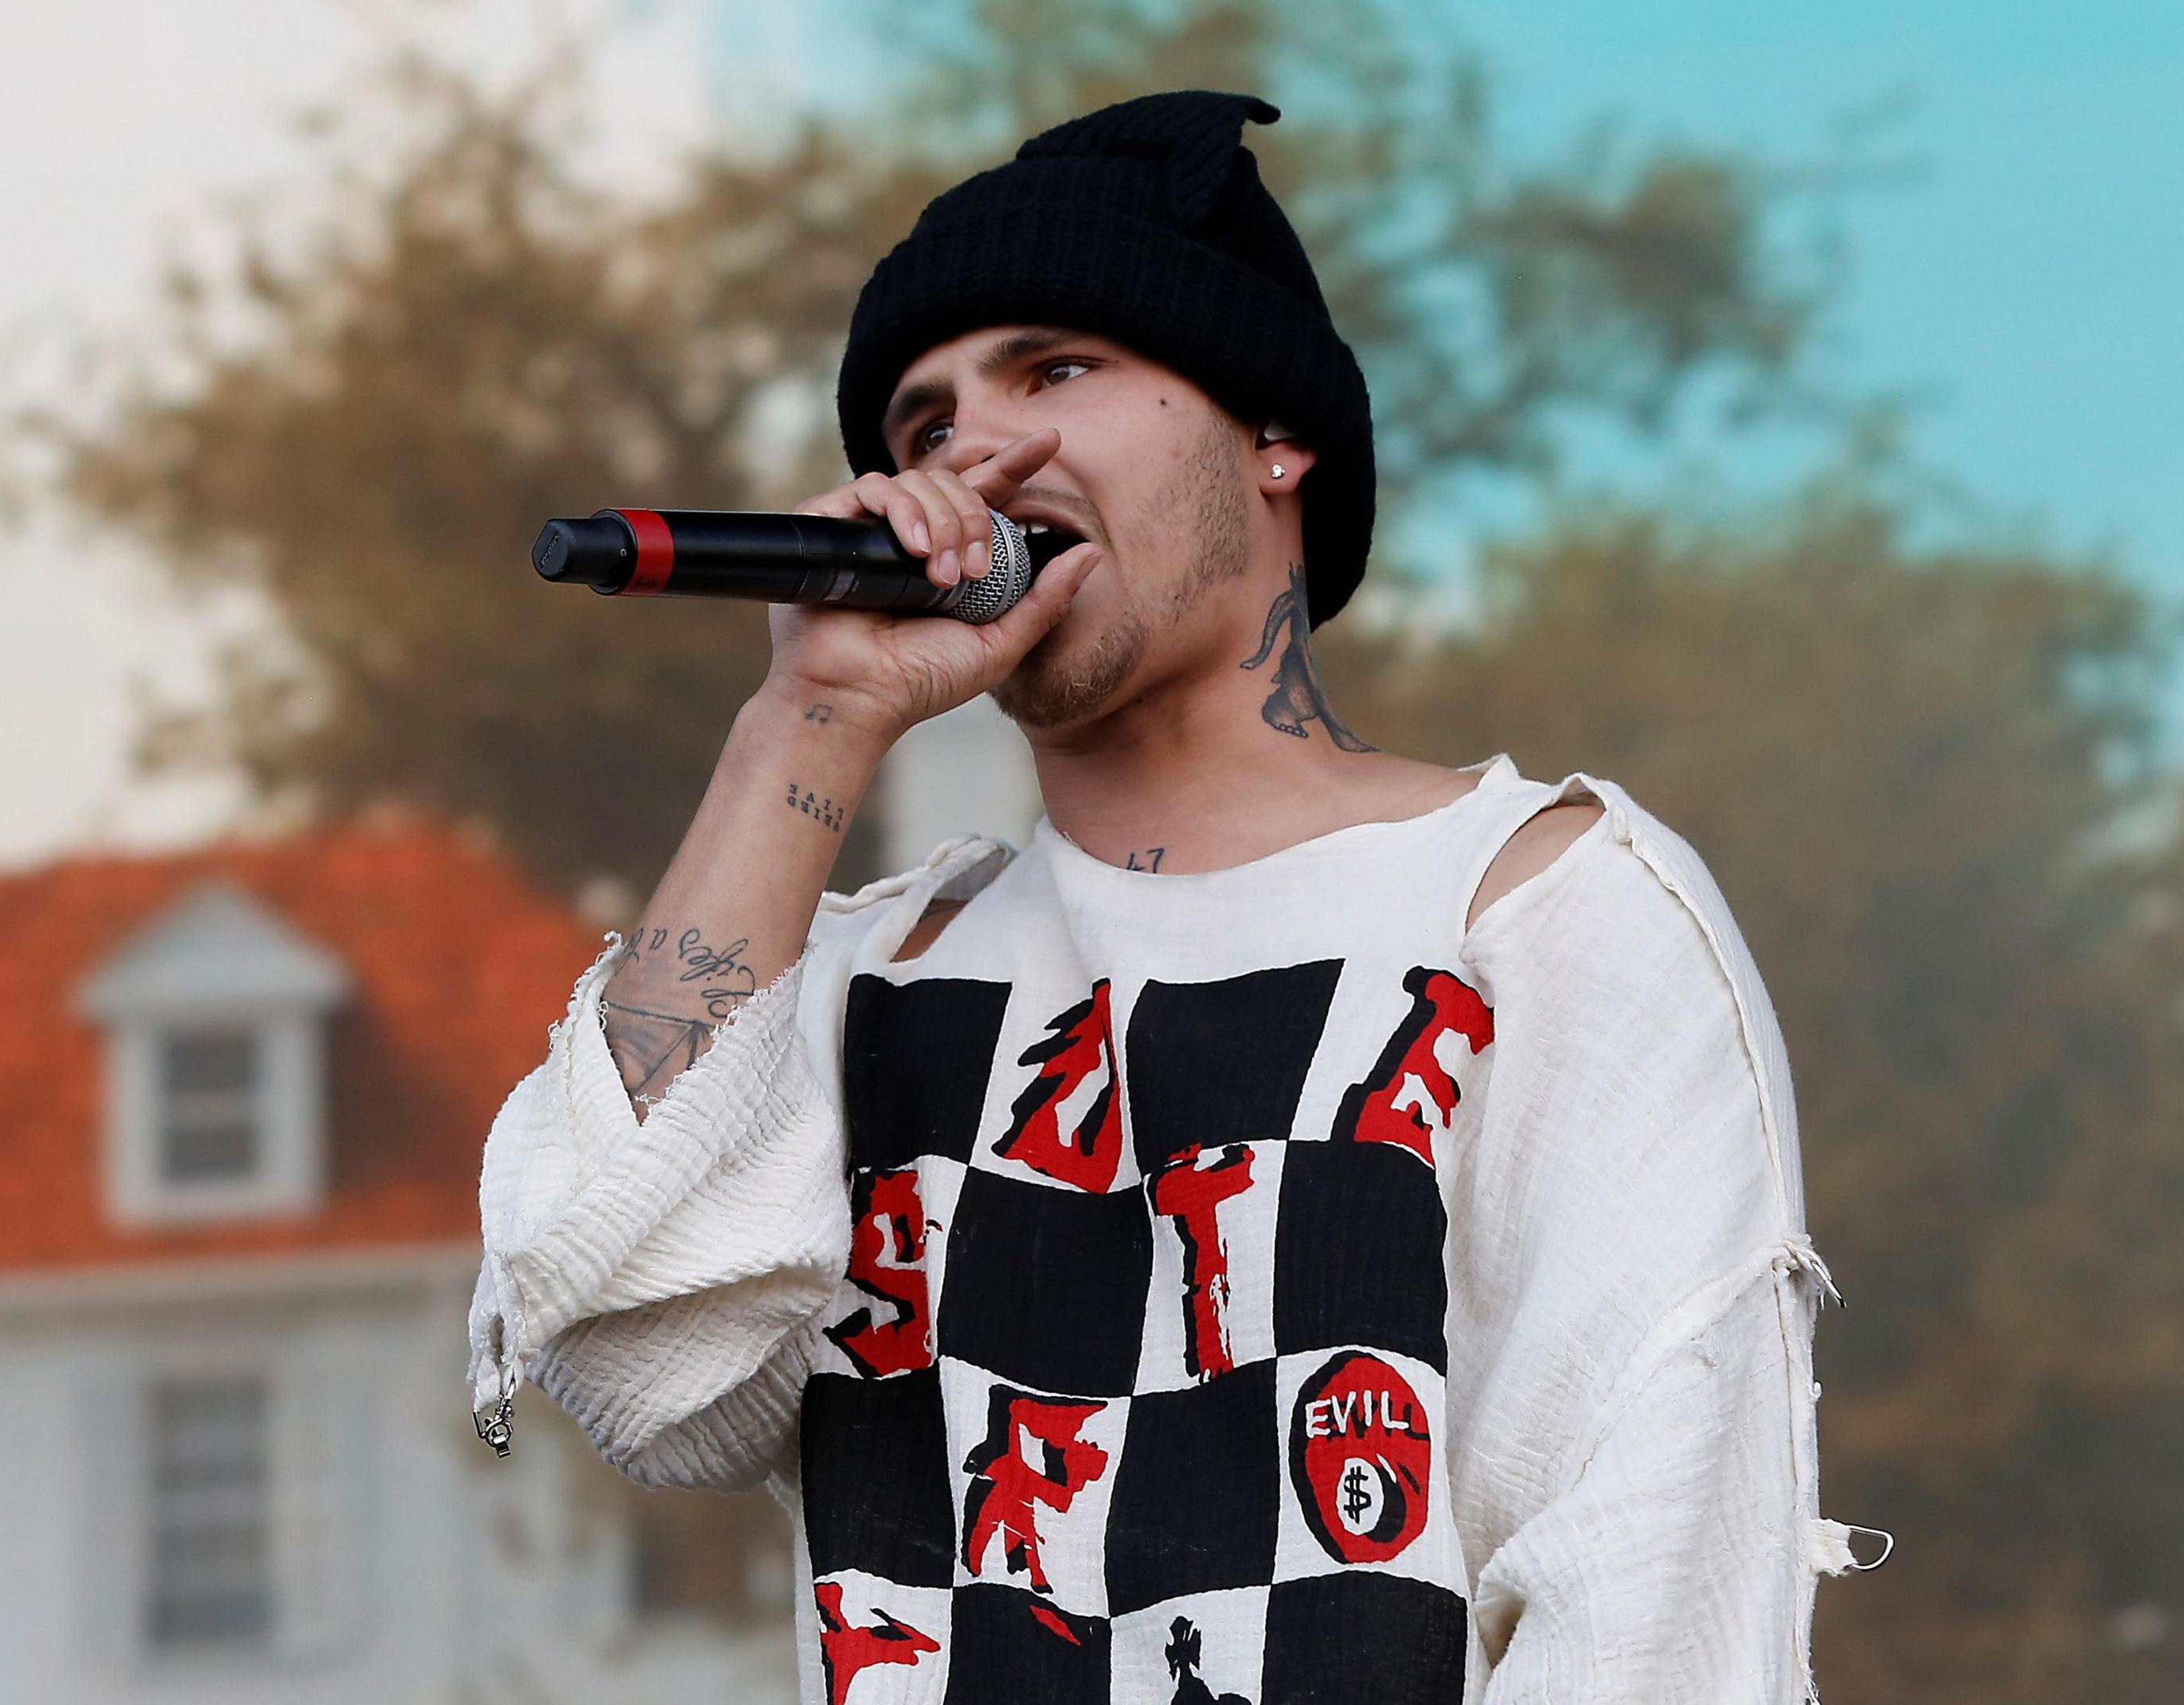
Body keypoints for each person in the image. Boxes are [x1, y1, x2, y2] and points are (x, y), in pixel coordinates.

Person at [468, 88, 1858, 1705]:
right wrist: (810, 721)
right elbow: (644, 1364)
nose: (975, 451)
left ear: (1277, 436)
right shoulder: (865, 985)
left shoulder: (1541, 911)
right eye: (920, 426)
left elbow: (1649, 1601)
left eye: (1057, 368)